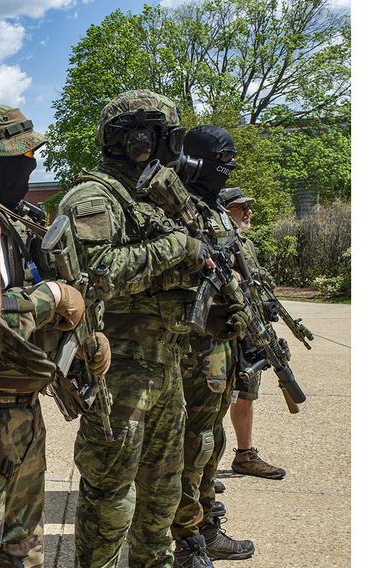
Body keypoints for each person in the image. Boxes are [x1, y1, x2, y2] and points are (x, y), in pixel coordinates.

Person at [0, 104, 111, 567]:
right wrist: (54, 297)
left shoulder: (19, 221)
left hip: (22, 410)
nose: (33, 164)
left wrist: (86, 337)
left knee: (23, 551)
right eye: (23, 156)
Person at [57, 90, 211, 568]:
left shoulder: (157, 197)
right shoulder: (93, 197)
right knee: (110, 496)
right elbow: (95, 274)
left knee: (164, 492)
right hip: (120, 371)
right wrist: (178, 250)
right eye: (167, 136)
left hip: (165, 363)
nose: (172, 149)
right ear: (138, 138)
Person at [168, 126, 255, 568]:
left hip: (219, 348)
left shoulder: (215, 210)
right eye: (222, 163)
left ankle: (205, 527)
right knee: (191, 444)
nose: (227, 172)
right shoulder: (175, 209)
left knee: (211, 441)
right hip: (189, 349)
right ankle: (187, 541)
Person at [222, 187, 287, 480]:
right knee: (214, 397)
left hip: (252, 327)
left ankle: (245, 455)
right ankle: (199, 470)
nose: (248, 212)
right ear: (224, 211)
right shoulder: (218, 242)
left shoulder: (245, 243)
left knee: (246, 392)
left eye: (248, 206)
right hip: (225, 330)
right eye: (241, 207)